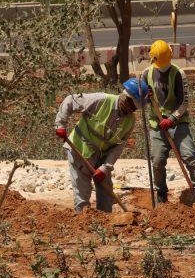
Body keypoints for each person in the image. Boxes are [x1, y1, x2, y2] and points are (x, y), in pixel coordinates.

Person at [55, 78, 150, 212]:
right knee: (82, 195)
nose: (133, 110)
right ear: (126, 98)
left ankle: (106, 220)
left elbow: (119, 147)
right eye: (133, 106)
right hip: (79, 150)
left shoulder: (130, 120)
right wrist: (60, 124)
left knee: (106, 195)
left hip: (102, 157)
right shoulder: (101, 100)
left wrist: (106, 168)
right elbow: (70, 101)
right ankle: (83, 220)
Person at [141, 40, 195, 203]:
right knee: (157, 161)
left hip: (178, 122)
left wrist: (171, 119)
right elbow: (141, 100)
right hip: (157, 124)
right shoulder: (146, 73)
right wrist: (144, 95)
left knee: (189, 155)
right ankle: (161, 193)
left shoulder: (178, 73)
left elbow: (184, 102)